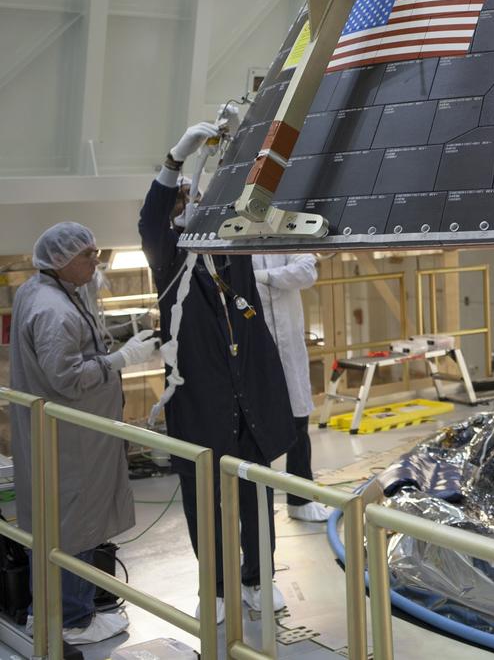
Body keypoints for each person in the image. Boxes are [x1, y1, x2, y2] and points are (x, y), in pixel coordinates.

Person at [139, 122, 295, 622]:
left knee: (255, 495)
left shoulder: (235, 252)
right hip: (200, 405)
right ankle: (219, 586)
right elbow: (150, 219)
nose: (194, 204)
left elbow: (253, 199)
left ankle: (258, 578)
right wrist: (174, 160)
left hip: (250, 397)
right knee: (205, 500)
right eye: (185, 199)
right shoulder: (170, 262)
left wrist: (239, 149)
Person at [10, 223, 155, 645]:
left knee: (53, 524)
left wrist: (123, 337)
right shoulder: (54, 310)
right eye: (88, 254)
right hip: (73, 439)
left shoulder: (39, 292)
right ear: (61, 260)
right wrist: (120, 361)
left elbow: (77, 343)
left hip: (57, 434)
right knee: (77, 524)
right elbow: (68, 378)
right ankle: (73, 620)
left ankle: (52, 611)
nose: (97, 260)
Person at [251, 253, 328, 521]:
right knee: (252, 431)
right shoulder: (235, 243)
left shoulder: (283, 235)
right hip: (254, 348)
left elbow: (307, 272)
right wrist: (282, 277)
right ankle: (254, 504)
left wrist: (268, 277)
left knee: (299, 422)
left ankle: (300, 499)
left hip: (290, 345)